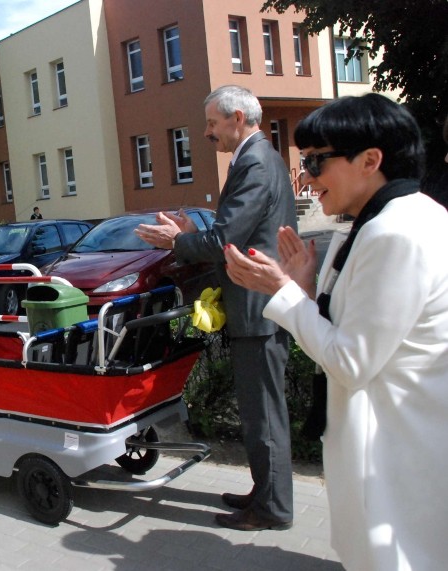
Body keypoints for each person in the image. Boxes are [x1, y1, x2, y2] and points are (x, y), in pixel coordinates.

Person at [223, 93, 448, 571]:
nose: (307, 177)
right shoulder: (392, 220)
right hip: (394, 449)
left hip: (394, 458)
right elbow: (355, 330)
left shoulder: (396, 233)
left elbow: (350, 361)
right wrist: (304, 289)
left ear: (370, 161)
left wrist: (280, 292)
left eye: (317, 161)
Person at [135, 85, 296, 531]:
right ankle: (265, 492)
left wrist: (178, 241)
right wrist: (190, 230)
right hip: (258, 308)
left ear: (237, 119)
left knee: (263, 416)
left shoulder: (255, 162)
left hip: (259, 311)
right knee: (260, 413)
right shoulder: (256, 159)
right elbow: (232, 232)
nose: (207, 133)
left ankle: (272, 509)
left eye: (211, 123)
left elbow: (227, 241)